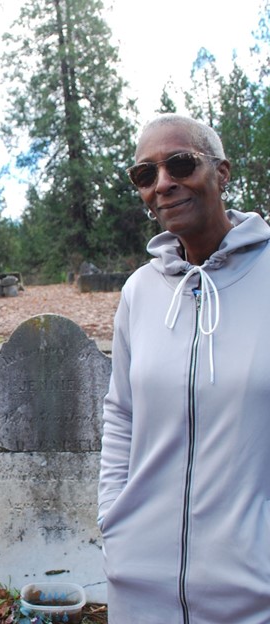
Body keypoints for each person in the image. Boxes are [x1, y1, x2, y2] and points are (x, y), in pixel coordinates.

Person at [98, 113, 270, 624]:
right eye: (145, 175)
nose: (163, 184)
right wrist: (115, 522)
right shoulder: (140, 292)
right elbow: (121, 414)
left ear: (221, 172)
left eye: (179, 163)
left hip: (252, 588)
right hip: (139, 583)